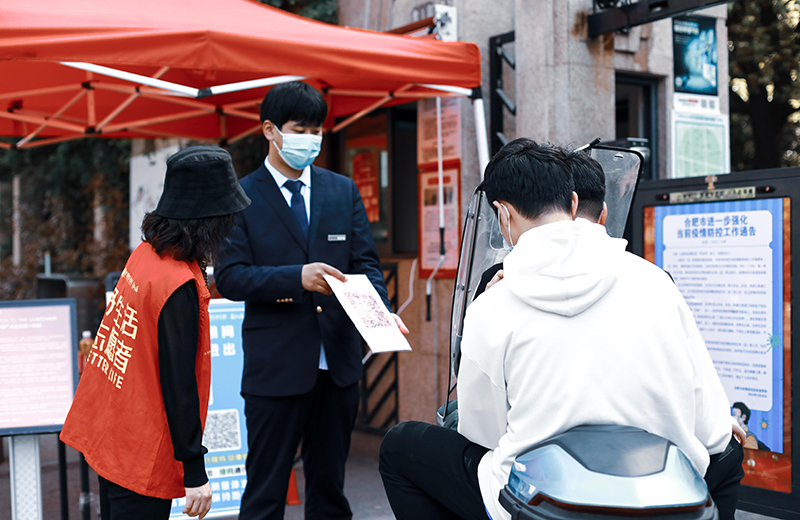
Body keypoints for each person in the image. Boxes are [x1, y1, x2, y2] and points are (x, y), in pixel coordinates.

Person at [379, 138, 742, 520]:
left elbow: (482, 435)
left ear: (502, 214)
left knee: (400, 447)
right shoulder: (655, 281)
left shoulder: (491, 305)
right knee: (728, 451)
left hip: (541, 502)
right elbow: (712, 430)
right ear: (573, 203)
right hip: (661, 491)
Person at [215, 81, 408, 520]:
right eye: (299, 129)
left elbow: (365, 264)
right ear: (270, 130)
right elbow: (230, 277)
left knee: (330, 490)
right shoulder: (240, 197)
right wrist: (296, 278)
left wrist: (380, 314)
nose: (310, 139)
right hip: (275, 367)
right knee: (265, 491)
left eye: (316, 130)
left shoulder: (341, 190)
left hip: (337, 365)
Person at [61, 146, 251, 520]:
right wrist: (195, 471)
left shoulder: (146, 254)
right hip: (141, 448)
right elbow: (179, 383)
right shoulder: (176, 284)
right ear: (210, 220)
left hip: (114, 430)